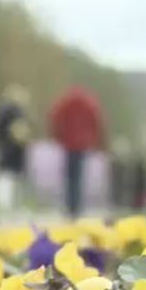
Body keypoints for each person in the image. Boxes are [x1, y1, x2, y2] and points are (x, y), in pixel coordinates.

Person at [48, 85, 106, 219]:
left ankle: (69, 206)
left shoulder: (65, 102)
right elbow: (98, 121)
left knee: (69, 176)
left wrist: (57, 136)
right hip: (82, 144)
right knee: (78, 176)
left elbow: (54, 117)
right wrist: (97, 140)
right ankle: (77, 207)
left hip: (68, 143)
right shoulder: (89, 102)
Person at [0, 84, 31, 213]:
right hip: (7, 148)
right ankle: (4, 205)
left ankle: (13, 204)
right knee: (4, 176)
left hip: (16, 149)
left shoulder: (18, 112)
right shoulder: (5, 112)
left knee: (14, 177)